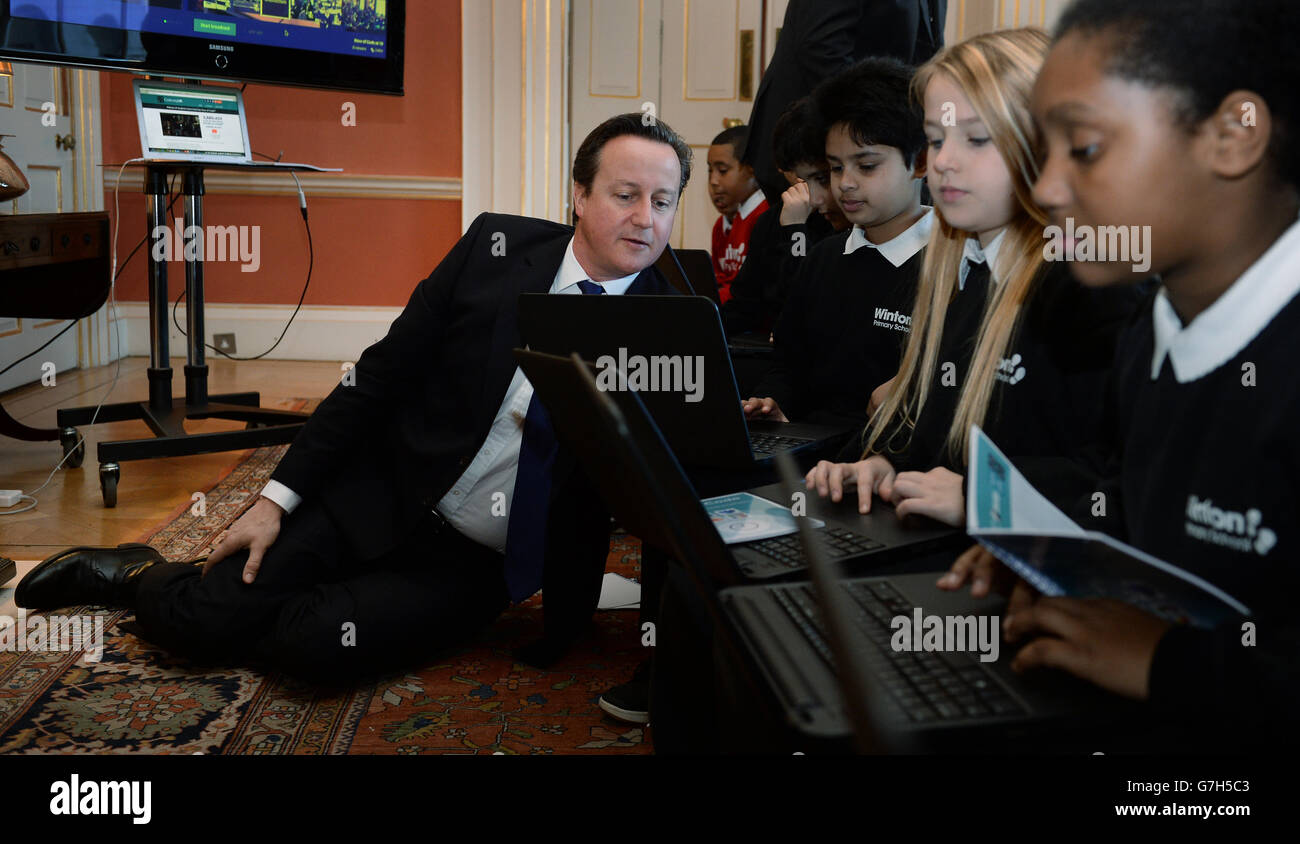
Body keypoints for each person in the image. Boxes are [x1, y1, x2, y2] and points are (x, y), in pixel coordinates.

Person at [16, 113, 691, 683]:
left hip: (474, 563)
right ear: (579, 194)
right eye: (625, 194)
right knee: (203, 621)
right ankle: (141, 575)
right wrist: (274, 501)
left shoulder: (671, 328)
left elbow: (669, 473)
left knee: (316, 653)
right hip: (378, 493)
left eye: (661, 203)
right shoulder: (495, 251)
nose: (643, 219)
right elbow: (377, 377)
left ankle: (281, 604)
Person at [943, 0, 1300, 748]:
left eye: (1087, 147)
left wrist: (1170, 663)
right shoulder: (1150, 333)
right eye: (1045, 149)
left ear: (1235, 136)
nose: (1045, 189)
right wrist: (1059, 555)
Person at [805, 28, 1142, 527]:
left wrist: (987, 496)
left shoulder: (1096, 287)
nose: (943, 162)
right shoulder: (963, 271)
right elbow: (936, 429)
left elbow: (1120, 482)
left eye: (977, 139)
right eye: (937, 140)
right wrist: (882, 465)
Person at [744, 57, 932, 431]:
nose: (844, 183)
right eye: (835, 167)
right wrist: (774, 403)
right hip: (808, 450)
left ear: (920, 162)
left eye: (866, 166)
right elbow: (788, 363)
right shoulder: (824, 258)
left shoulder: (954, 265)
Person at [745, 0, 949, 206]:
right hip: (812, 142)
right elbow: (821, 47)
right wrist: (880, 123)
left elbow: (924, 54)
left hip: (883, 144)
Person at [723, 96, 850, 338]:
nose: (814, 196)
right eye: (801, 177)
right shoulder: (770, 222)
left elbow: (806, 305)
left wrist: (795, 232)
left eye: (822, 178)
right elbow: (745, 305)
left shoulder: (852, 221)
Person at [708, 125, 769, 303]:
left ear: (751, 170)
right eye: (710, 170)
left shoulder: (764, 218)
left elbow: (754, 291)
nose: (713, 181)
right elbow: (717, 281)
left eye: (723, 170)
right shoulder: (721, 225)